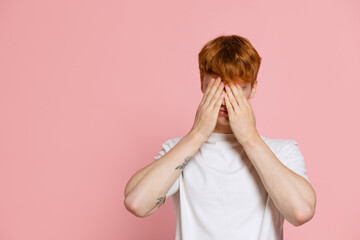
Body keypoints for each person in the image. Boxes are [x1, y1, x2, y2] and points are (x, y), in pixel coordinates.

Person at [124, 34, 316, 240]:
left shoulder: (282, 151)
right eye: (218, 88)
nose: (225, 100)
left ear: (253, 89)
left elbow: (301, 211)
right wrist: (197, 135)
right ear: (202, 85)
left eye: (237, 88)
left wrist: (250, 138)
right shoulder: (179, 150)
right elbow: (137, 203)